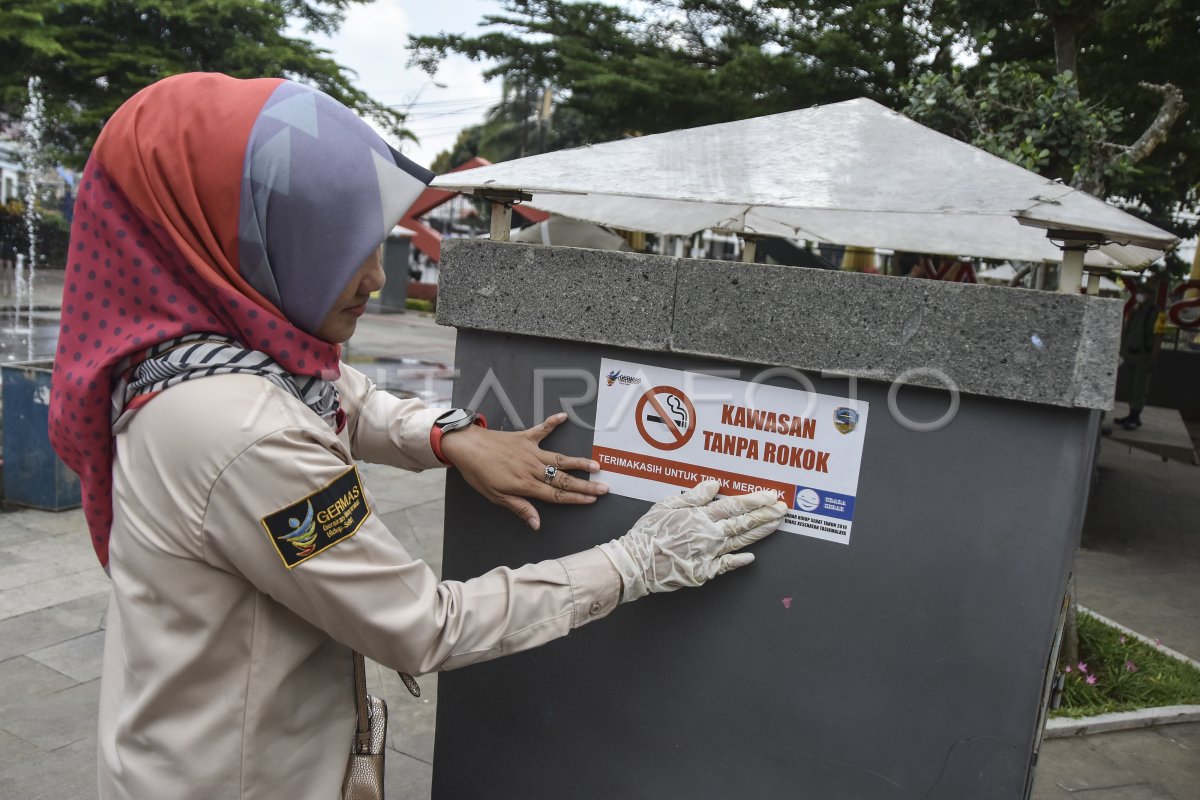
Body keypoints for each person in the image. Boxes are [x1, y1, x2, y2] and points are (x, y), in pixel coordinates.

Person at [48, 73, 786, 799]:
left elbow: (341, 393)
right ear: (249, 241)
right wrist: (636, 560)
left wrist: (449, 434)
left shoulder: (192, 351)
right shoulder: (245, 437)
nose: (375, 278)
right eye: (340, 251)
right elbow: (424, 626)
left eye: (379, 245)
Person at [1113, 286, 1160, 430]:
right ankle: (1132, 414)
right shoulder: (1135, 309)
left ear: (1151, 295)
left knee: (1139, 387)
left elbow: (1159, 336)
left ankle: (1134, 416)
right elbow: (1128, 330)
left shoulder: (1156, 312)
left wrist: (1154, 357)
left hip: (1143, 355)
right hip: (1129, 353)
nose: (1141, 295)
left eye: (1144, 292)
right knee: (1129, 385)